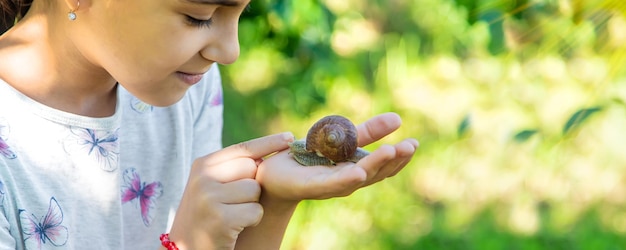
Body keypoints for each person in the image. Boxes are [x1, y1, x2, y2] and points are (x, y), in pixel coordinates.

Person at [0, 0, 419, 249]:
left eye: (239, 12)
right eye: (198, 16)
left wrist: (272, 203)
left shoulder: (187, 88)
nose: (230, 50)